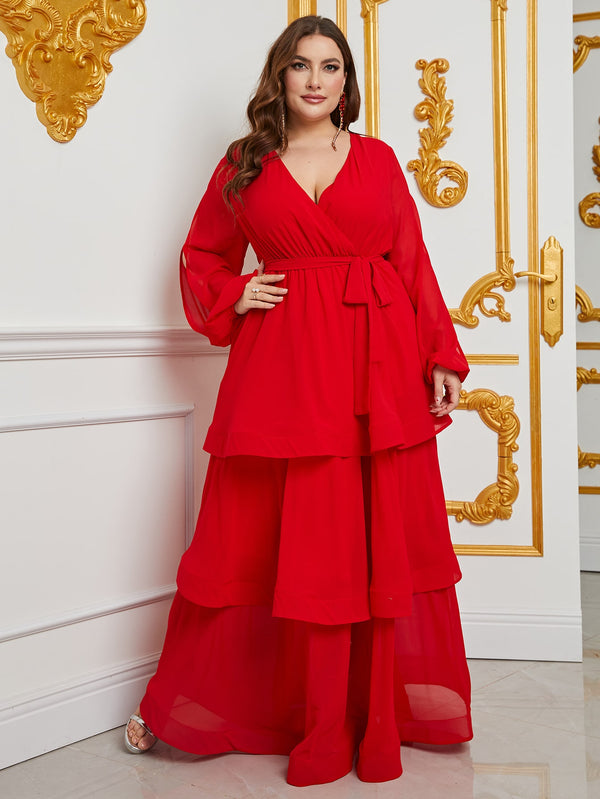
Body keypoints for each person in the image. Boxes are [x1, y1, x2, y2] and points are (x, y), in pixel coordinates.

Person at [124, 15, 473, 787]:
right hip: (281, 369)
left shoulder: (378, 160)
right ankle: (285, 713)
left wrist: (440, 355)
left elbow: (411, 263)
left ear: (347, 82)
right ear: (279, 77)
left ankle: (368, 718)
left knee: (369, 539)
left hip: (375, 369)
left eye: (330, 66)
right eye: (301, 66)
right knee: (263, 536)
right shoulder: (244, 162)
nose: (316, 80)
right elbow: (201, 254)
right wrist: (238, 290)